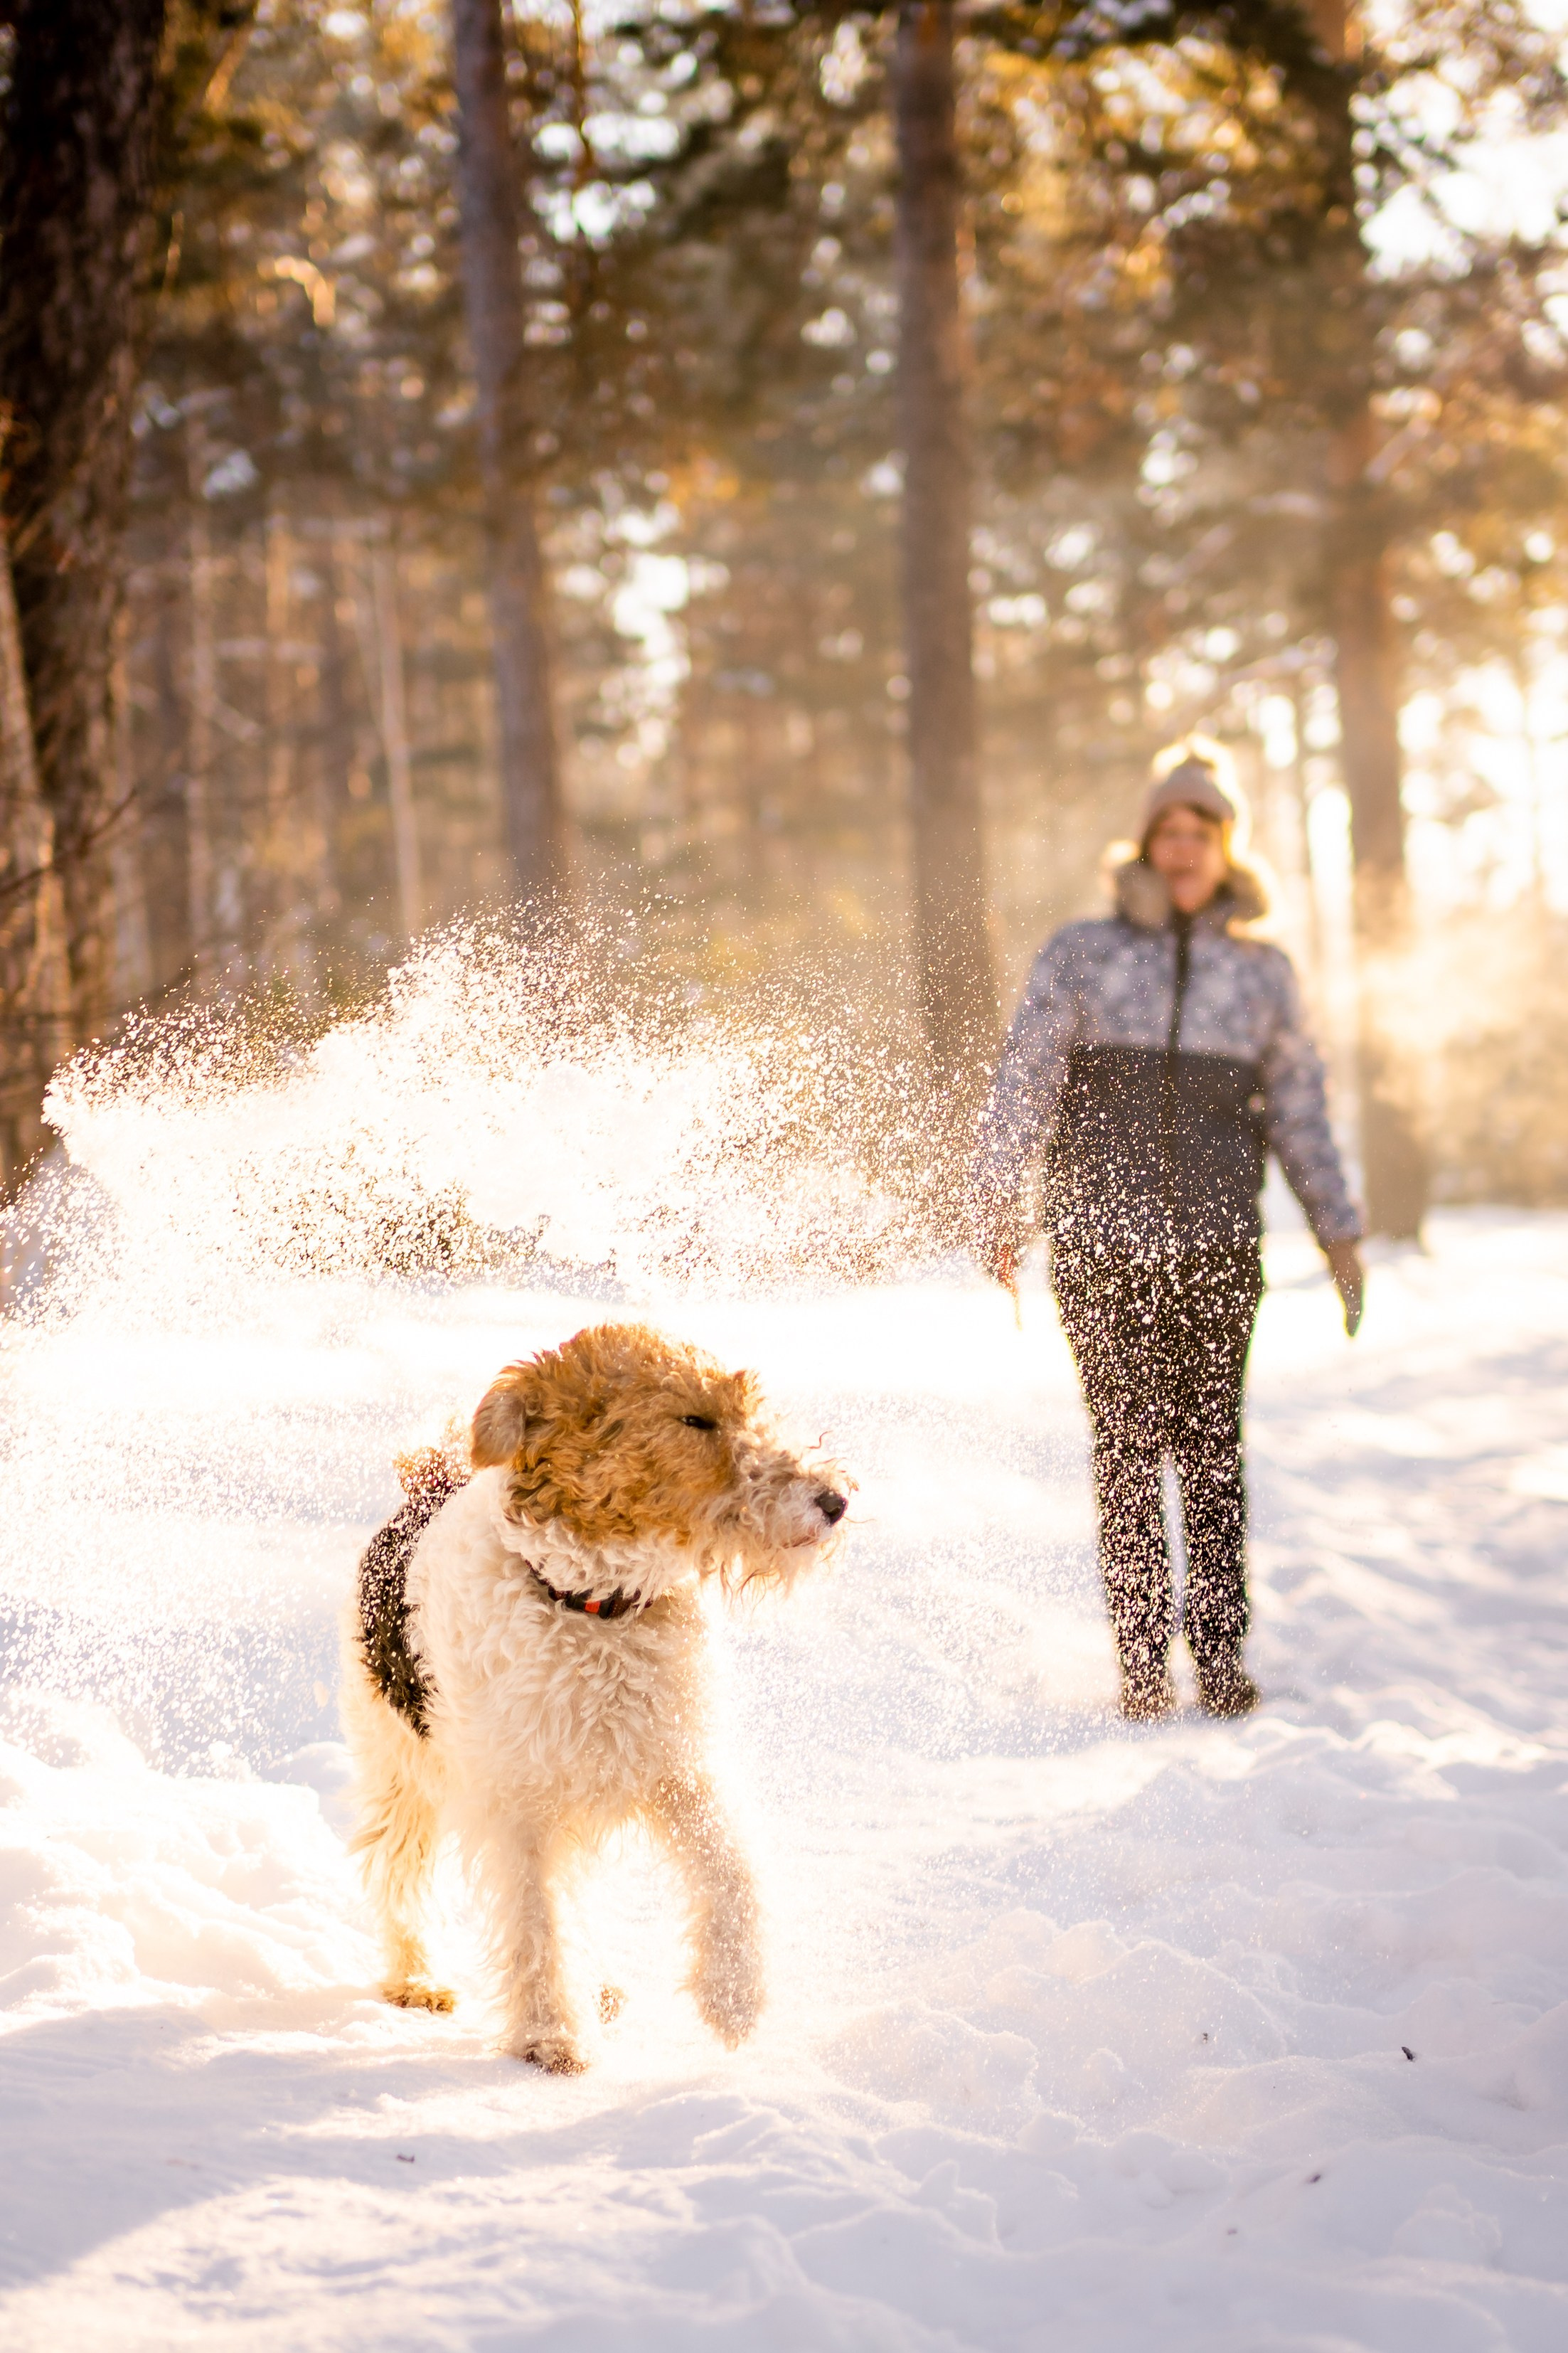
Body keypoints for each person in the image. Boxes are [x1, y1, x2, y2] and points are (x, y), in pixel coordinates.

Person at [972, 748, 1364, 1723]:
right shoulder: (1083, 952)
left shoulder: (1262, 973)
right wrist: (998, 1201)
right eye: (1168, 831)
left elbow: (1301, 1112)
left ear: (1226, 847)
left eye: (1201, 832)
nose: (1183, 848)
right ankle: (1142, 1666)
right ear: (1145, 844)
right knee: (1125, 1450)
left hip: (1217, 1248)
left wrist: (1339, 1234)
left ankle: (1222, 1660)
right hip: (1099, 1246)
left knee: (1211, 1450)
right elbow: (1025, 1079)